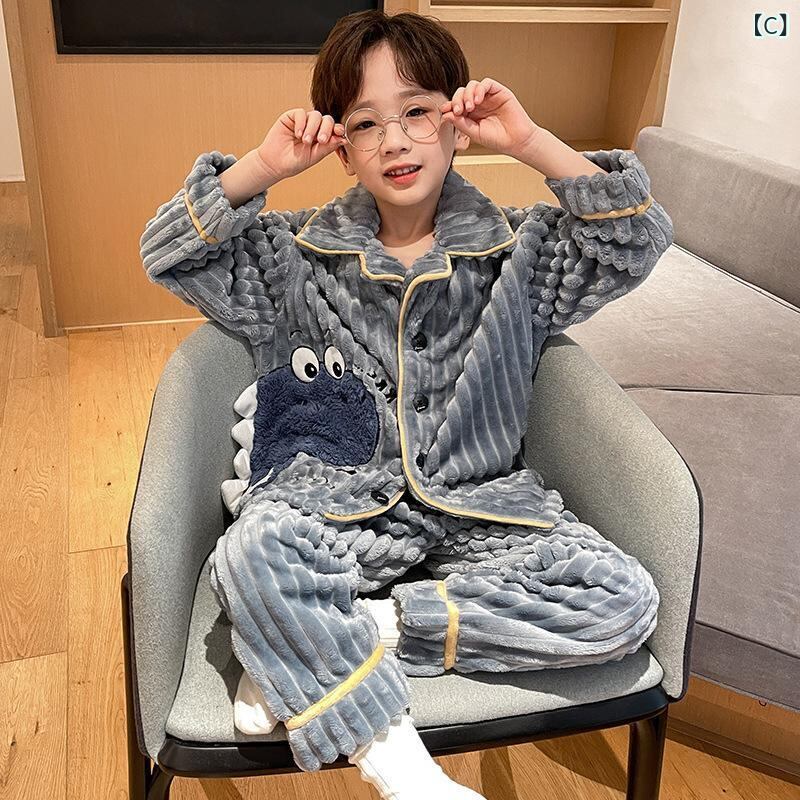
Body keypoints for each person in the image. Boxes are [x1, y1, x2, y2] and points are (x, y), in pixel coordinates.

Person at [139, 10, 672, 798]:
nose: (394, 141)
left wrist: (530, 143)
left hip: (481, 510)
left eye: (417, 111)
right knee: (251, 552)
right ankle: (408, 775)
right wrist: (262, 166)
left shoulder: (522, 252)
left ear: (456, 122)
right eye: (365, 123)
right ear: (341, 147)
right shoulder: (292, 256)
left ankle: (325, 638)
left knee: (622, 602)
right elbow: (167, 252)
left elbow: (636, 240)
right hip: (332, 507)